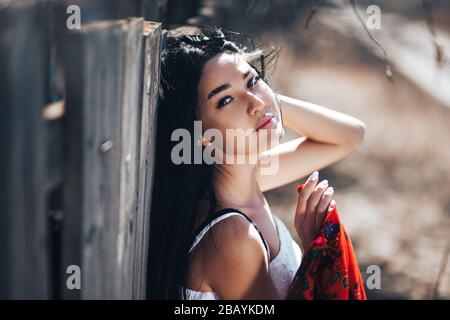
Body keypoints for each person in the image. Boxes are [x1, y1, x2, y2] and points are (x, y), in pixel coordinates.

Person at [146, 25, 366, 300]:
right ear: (200, 135)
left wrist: (266, 100)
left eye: (253, 80)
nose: (254, 103)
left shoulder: (242, 178)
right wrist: (316, 254)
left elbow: (349, 136)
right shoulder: (231, 238)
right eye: (225, 100)